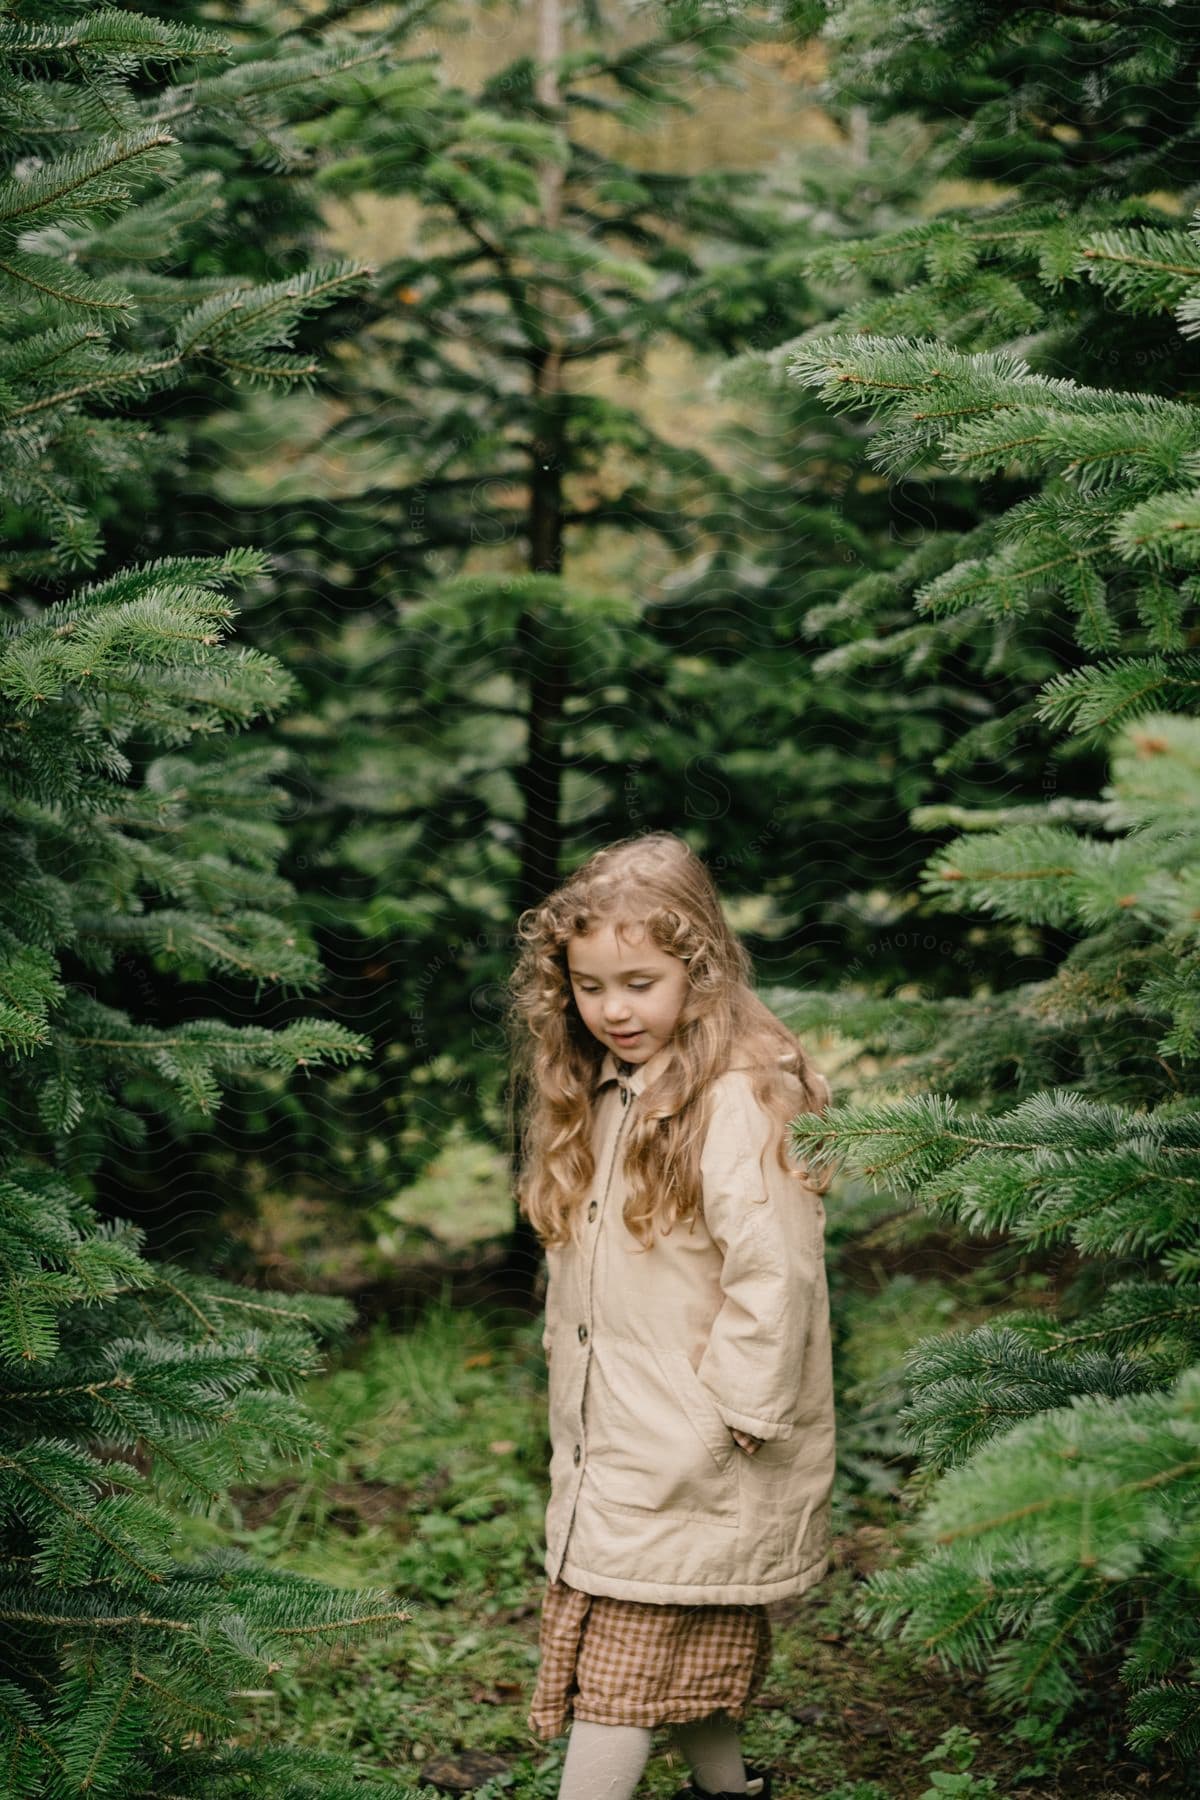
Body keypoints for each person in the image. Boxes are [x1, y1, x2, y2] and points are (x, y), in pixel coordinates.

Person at [506, 831, 836, 1800]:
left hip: (695, 1446)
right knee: (672, 1653)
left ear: (700, 969)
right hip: (627, 1440)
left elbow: (776, 1276)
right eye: (590, 986)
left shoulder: (735, 1100)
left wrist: (729, 1415)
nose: (613, 1010)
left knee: (617, 1683)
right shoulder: (607, 1089)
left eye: (640, 983)